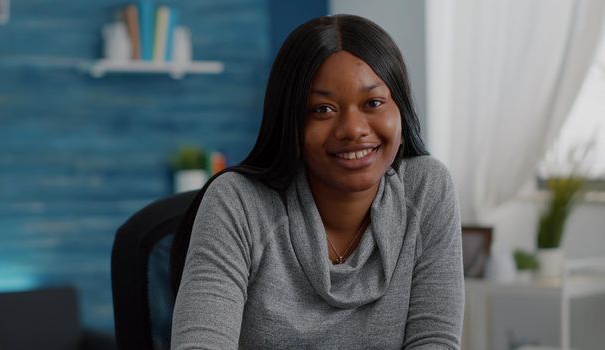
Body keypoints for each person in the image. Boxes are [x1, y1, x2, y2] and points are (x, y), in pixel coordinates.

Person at [170, 14, 464, 349]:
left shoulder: (426, 188)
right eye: (322, 109)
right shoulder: (238, 203)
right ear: (290, 121)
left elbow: (435, 342)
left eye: (373, 103)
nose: (353, 129)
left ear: (401, 110)